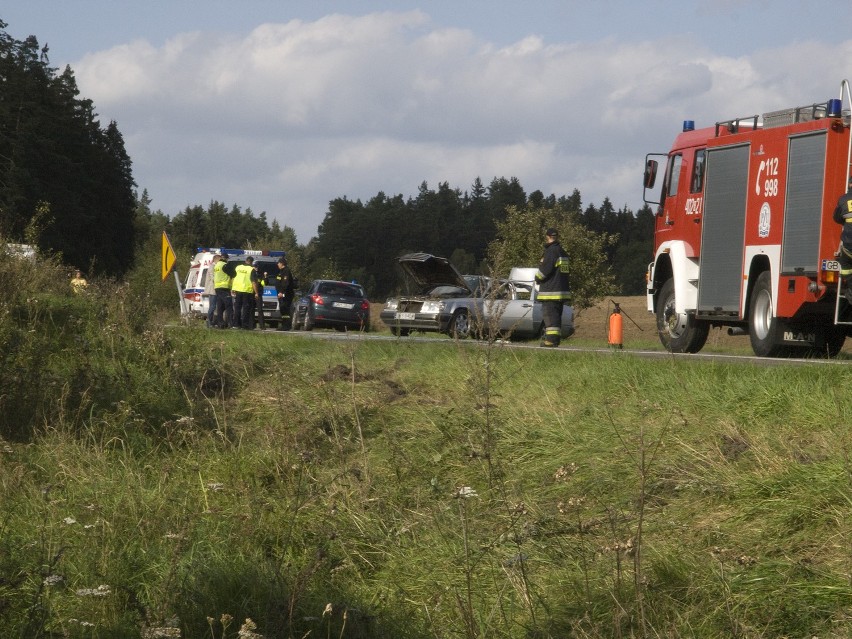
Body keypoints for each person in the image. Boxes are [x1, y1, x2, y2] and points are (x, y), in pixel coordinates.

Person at [535, 227, 570, 347]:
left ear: (547, 237)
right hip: (561, 290)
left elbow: (545, 270)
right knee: (556, 317)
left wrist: (537, 278)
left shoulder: (551, 251)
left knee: (550, 316)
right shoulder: (562, 251)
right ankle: (555, 340)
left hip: (550, 290)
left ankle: (550, 340)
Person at [833, 175, 852, 301]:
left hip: (849, 244)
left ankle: (850, 288)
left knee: (845, 264)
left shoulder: (843, 200)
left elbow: (836, 217)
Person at [232, 255, 258, 329]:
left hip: (238, 290)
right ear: (252, 262)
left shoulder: (238, 267)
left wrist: (232, 289)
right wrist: (256, 292)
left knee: (237, 308)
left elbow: (234, 278)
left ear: (245, 261)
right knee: (246, 309)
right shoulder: (251, 269)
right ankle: (244, 325)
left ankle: (236, 324)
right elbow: (253, 282)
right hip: (247, 291)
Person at [213, 253, 235, 328]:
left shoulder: (217, 265)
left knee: (220, 306)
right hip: (224, 287)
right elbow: (233, 274)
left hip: (217, 287)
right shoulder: (225, 265)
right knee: (229, 306)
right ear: (226, 258)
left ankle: (220, 323)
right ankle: (230, 323)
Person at [274, 256, 295, 330]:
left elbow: (285, 283)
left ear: (282, 263)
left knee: (285, 309)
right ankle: (284, 325)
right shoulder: (281, 271)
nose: (277, 264)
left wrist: (281, 292)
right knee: (282, 309)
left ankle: (286, 326)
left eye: (278, 263)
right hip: (281, 294)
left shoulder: (286, 271)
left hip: (286, 294)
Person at [203, 254, 220, 327]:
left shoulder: (214, 267)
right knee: (212, 306)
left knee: (214, 307)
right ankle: (209, 321)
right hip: (213, 290)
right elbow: (213, 278)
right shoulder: (212, 267)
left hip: (215, 289)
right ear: (216, 260)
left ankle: (212, 321)